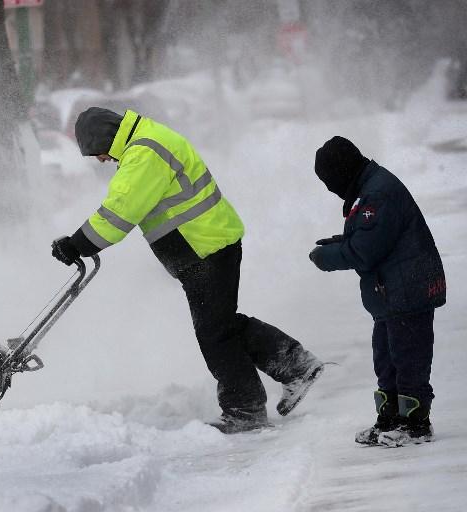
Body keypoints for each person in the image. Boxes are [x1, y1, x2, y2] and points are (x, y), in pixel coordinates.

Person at [51, 107, 324, 433]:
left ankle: (247, 409)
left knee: (215, 334)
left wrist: (76, 244)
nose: (100, 160)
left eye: (98, 152)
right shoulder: (148, 140)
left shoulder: (144, 153)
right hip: (208, 246)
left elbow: (118, 214)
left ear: (106, 138)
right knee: (222, 327)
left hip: (204, 249)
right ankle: (295, 367)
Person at [309, 136, 446, 447]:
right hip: (392, 292)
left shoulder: (378, 193)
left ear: (341, 172)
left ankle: (415, 423)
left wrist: (327, 258)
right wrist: (338, 243)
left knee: (408, 356)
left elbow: (365, 251)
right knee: (386, 356)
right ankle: (390, 418)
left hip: (409, 289)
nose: (330, 189)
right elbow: (371, 237)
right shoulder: (368, 188)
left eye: (329, 181)